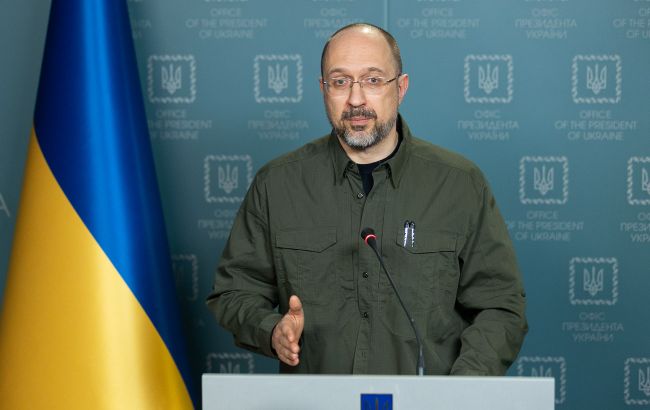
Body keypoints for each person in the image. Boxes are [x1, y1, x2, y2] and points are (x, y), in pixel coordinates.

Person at [207, 23, 527, 375]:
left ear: (401, 87)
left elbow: (500, 306)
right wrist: (272, 332)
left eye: (373, 80)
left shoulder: (460, 184)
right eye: (340, 81)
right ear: (323, 89)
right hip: (315, 398)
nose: (356, 99)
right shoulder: (277, 184)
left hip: (426, 399)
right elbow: (234, 292)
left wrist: (461, 387)